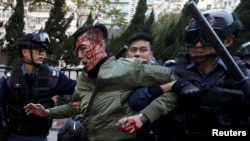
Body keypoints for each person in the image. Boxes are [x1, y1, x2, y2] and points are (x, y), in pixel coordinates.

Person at [24, 23, 198, 141]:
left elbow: (176, 86)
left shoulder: (132, 67)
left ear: (100, 45)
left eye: (83, 48)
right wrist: (47, 112)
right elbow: (75, 107)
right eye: (77, 50)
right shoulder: (84, 78)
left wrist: (144, 117)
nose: (79, 55)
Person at [121, 9, 250, 140]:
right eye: (192, 37)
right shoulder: (171, 69)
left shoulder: (244, 76)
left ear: (228, 40)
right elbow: (136, 100)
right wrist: (171, 86)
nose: (198, 44)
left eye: (207, 37)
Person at [0, 32, 76, 141]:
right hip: (15, 136)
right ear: (24, 51)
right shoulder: (10, 78)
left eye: (44, 50)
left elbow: (78, 89)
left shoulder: (52, 76)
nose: (42, 54)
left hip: (40, 137)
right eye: (38, 49)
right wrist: (3, 125)